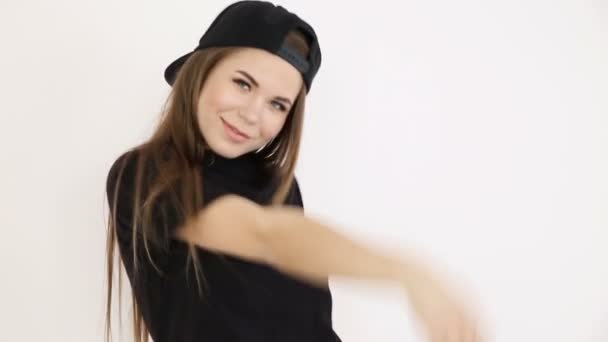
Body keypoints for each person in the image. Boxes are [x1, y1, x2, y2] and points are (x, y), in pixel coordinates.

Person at [105, 1, 484, 341]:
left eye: (277, 104)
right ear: (200, 73)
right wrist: (407, 272)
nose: (253, 114)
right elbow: (264, 235)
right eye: (242, 84)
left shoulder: (278, 187)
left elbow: (307, 322)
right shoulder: (143, 175)